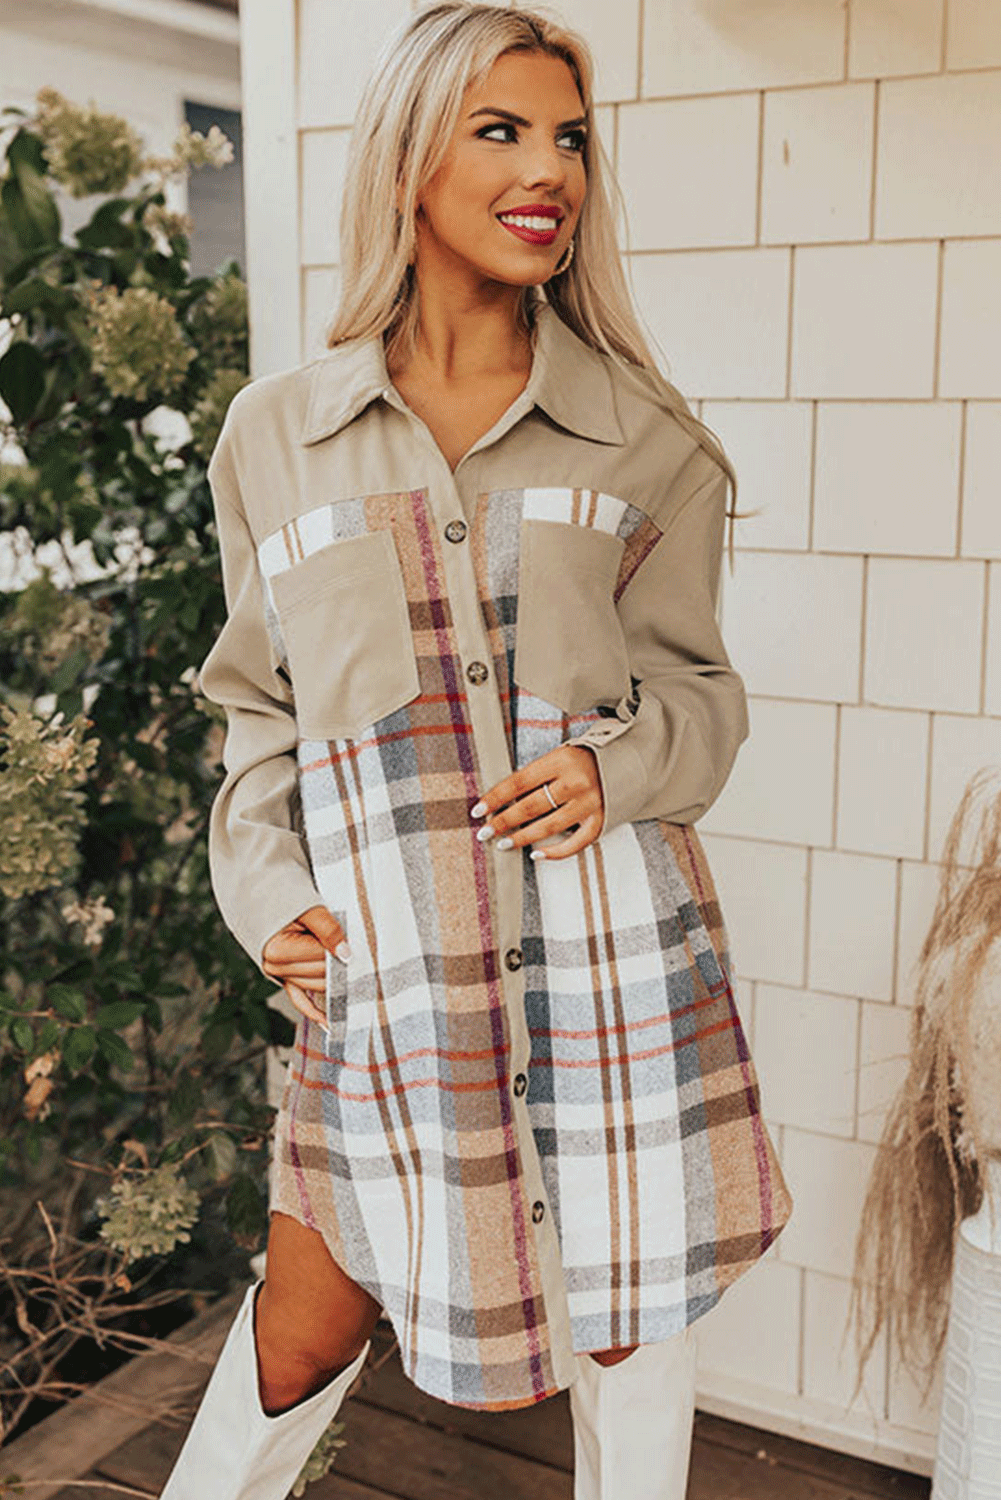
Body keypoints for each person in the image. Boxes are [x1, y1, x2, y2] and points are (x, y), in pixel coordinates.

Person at [160, 4, 794, 1497]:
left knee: (631, 1327)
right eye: (500, 130)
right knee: (308, 1318)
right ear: (406, 163)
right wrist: (268, 898)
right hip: (392, 975)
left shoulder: (647, 437)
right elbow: (258, 712)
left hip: (611, 962)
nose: (549, 169)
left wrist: (613, 769)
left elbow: (703, 696)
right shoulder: (276, 437)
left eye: (569, 137)